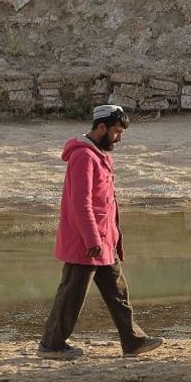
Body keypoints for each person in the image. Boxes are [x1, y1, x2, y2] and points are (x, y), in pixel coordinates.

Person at [37, 104, 163, 360]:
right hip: (86, 241)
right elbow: (81, 203)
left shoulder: (97, 154)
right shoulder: (83, 156)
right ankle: (51, 345)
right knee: (72, 293)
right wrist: (93, 238)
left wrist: (112, 239)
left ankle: (133, 341)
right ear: (101, 127)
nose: (119, 137)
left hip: (103, 240)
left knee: (118, 293)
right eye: (116, 131)